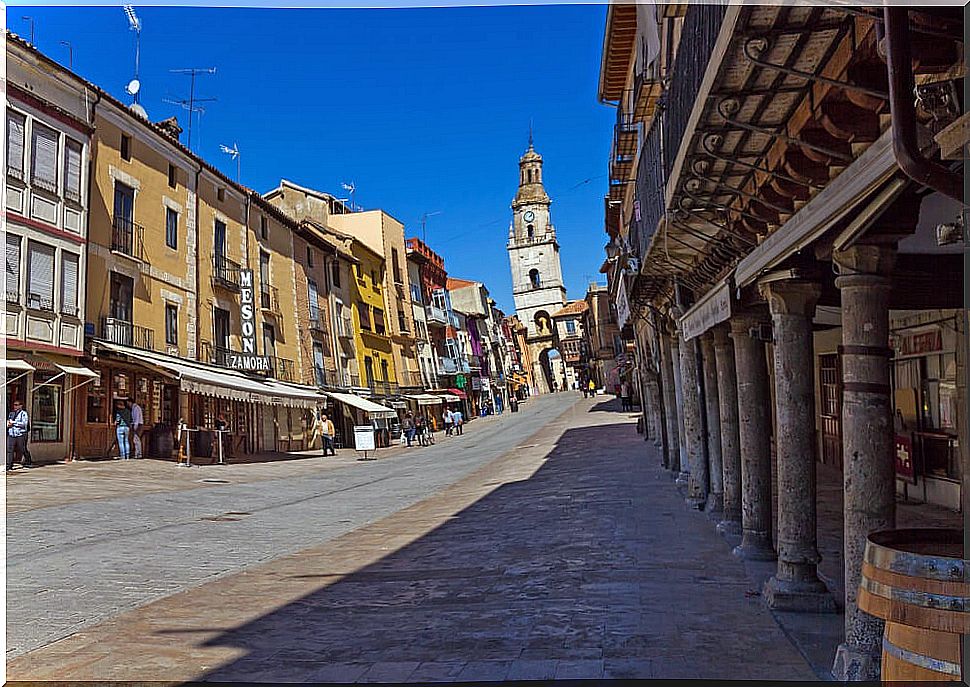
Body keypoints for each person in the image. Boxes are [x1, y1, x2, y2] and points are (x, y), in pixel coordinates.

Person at [6, 399, 31, 470]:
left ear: (21, 406)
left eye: (17, 405)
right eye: (14, 405)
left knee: (22, 448)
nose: (15, 406)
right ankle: (9, 465)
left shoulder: (24, 414)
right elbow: (9, 421)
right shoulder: (11, 413)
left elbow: (24, 424)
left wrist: (13, 423)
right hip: (11, 433)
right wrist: (8, 424)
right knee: (9, 449)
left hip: (20, 434)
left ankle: (28, 460)